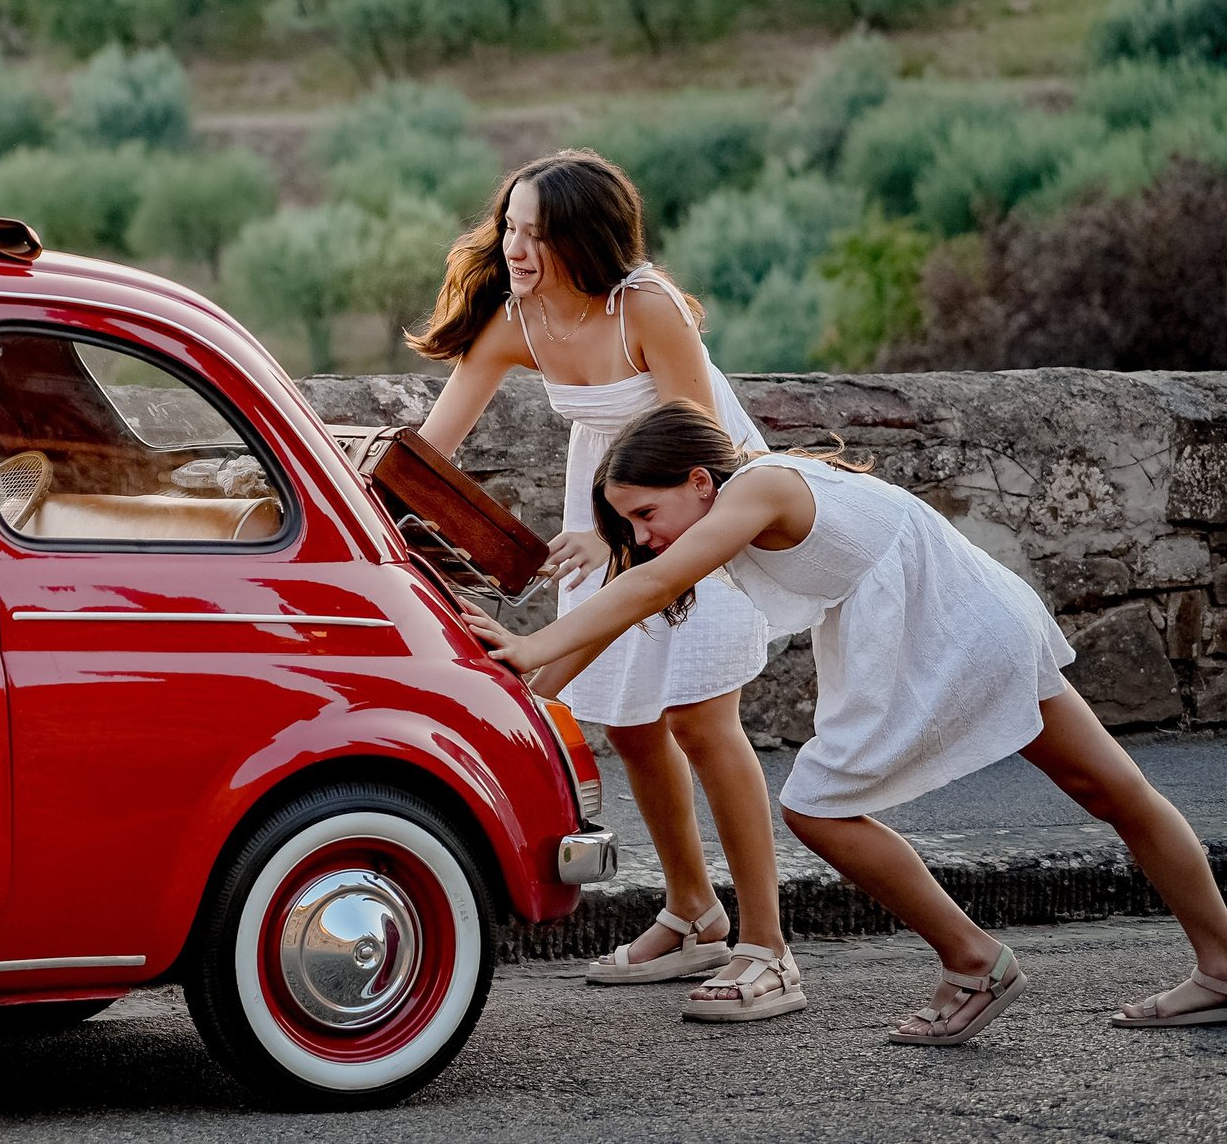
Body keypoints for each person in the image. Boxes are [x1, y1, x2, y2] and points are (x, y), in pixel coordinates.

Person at [467, 400, 1227, 1043]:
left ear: (699, 481)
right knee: (1114, 790)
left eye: (645, 512)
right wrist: (519, 686)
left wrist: (531, 641)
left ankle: (975, 960)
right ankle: (1220, 968)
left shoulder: (760, 486)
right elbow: (631, 588)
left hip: (944, 628)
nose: (640, 532)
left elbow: (656, 577)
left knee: (820, 805)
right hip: (969, 611)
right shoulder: (724, 505)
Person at [411, 150, 790, 1018]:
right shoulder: (519, 319)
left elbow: (703, 442)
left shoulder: (645, 307)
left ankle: (769, 947)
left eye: (538, 233)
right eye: (511, 226)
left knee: (701, 717)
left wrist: (607, 528)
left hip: (697, 503)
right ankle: (696, 915)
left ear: (584, 238)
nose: (517, 246)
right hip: (607, 507)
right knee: (624, 719)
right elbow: (431, 452)